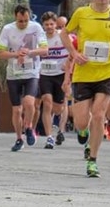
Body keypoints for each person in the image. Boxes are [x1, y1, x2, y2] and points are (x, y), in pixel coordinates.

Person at [61, 0, 110, 178]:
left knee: (100, 115)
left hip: (107, 71)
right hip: (83, 73)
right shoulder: (82, 13)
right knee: (82, 121)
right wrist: (74, 54)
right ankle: (84, 132)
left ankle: (93, 160)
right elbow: (64, 34)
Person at [0, 5, 49, 152]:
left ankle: (29, 127)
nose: (23, 24)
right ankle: (19, 138)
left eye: (25, 21)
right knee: (17, 110)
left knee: (29, 102)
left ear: (29, 17)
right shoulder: (7, 29)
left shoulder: (36, 27)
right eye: (20, 21)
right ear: (15, 17)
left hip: (31, 72)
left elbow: (45, 50)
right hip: (13, 73)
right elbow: (0, 53)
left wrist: (29, 52)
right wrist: (16, 54)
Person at [37, 12, 69, 150]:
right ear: (42, 25)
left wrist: (67, 63)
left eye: (51, 24)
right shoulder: (40, 38)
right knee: (47, 103)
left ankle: (60, 129)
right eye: (46, 24)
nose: (49, 27)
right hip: (45, 75)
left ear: (56, 24)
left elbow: (72, 52)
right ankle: (49, 137)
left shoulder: (62, 36)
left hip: (60, 74)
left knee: (58, 108)